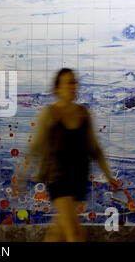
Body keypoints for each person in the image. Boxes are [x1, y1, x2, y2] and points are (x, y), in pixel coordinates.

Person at [12, 68, 119, 242]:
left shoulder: (83, 113)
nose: (73, 86)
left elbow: (95, 149)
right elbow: (35, 148)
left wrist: (109, 175)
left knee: (58, 231)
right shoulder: (50, 114)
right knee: (74, 233)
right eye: (68, 82)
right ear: (58, 89)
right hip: (58, 179)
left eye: (74, 82)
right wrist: (21, 176)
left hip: (79, 179)